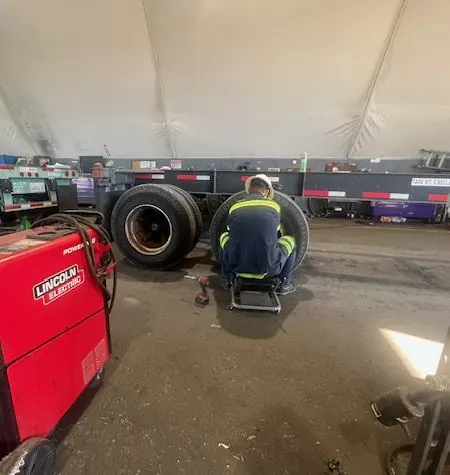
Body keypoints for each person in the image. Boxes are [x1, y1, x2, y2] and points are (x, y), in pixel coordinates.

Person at [219, 174, 297, 295]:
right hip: (268, 270)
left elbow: (231, 232)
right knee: (290, 241)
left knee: (223, 237)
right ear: (266, 192)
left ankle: (227, 280)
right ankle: (284, 283)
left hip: (236, 267)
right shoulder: (274, 206)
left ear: (249, 190)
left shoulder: (235, 207)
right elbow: (274, 233)